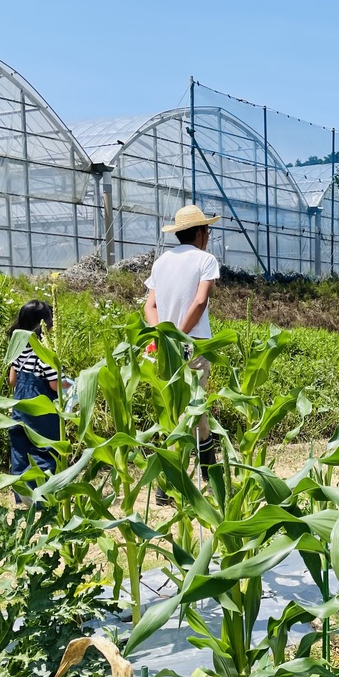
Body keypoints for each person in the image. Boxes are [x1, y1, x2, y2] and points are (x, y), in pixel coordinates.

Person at [144, 204, 221, 488]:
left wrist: (161, 336)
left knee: (177, 412)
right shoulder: (206, 260)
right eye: (208, 231)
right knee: (193, 412)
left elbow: (150, 306)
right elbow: (200, 301)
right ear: (200, 232)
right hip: (193, 345)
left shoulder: (161, 262)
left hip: (167, 351)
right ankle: (181, 482)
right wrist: (179, 335)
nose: (209, 236)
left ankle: (203, 478)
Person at [7, 300, 67, 496]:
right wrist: (71, 383)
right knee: (45, 449)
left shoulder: (17, 346)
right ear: (45, 324)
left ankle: (22, 494)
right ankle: (40, 496)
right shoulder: (43, 351)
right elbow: (54, 385)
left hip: (19, 404)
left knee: (20, 450)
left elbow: (12, 380)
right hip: (40, 406)